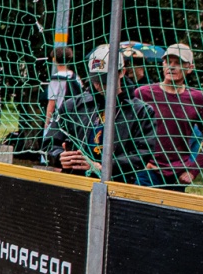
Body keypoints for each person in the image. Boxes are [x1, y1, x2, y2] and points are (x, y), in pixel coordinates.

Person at [43, 46, 155, 182]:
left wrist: (104, 167)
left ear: (122, 72)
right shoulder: (73, 106)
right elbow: (49, 143)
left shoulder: (141, 111)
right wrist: (59, 157)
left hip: (117, 185)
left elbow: (142, 154)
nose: (99, 85)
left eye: (105, 80)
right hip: (75, 182)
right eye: (96, 80)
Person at [133, 42, 203, 190]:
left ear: (190, 68)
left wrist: (192, 171)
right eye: (168, 62)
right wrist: (139, 161)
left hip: (177, 176)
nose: (171, 67)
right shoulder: (143, 93)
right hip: (146, 173)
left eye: (178, 63)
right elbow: (126, 130)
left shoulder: (197, 99)